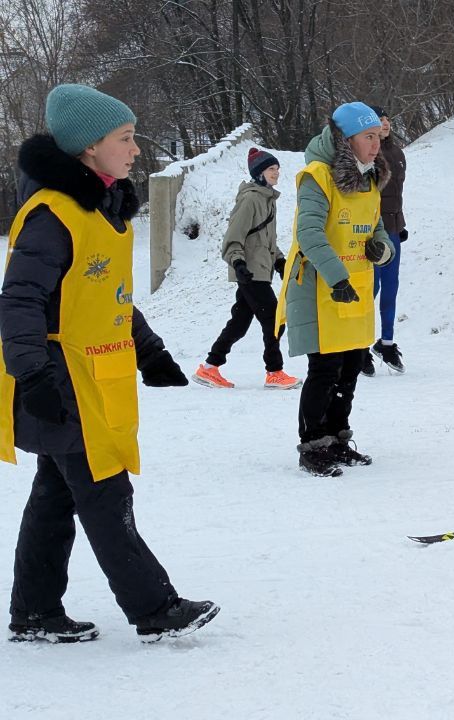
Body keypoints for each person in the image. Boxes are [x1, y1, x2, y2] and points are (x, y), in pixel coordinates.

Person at [0, 84, 219, 642]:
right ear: (89, 147)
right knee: (105, 494)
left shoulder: (101, 212)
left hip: (92, 381)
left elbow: (110, 298)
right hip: (60, 380)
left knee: (56, 497)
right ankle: (154, 607)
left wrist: (151, 351)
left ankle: (34, 612)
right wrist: (31, 374)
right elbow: (19, 300)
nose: (136, 149)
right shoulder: (52, 216)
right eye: (125, 138)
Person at [275, 102, 395, 477]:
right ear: (345, 139)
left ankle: (337, 437)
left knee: (351, 367)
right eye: (368, 137)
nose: (376, 144)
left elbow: (377, 229)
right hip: (322, 287)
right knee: (325, 369)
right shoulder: (317, 177)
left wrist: (382, 250)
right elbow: (309, 234)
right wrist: (337, 278)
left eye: (377, 136)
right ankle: (313, 444)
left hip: (356, 286)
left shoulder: (371, 177)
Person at [193, 147, 298, 390]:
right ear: (259, 173)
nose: (276, 173)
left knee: (239, 323)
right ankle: (274, 372)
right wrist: (238, 263)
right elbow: (233, 236)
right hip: (250, 271)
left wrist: (279, 261)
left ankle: (209, 368)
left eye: (277, 169)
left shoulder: (267, 199)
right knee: (274, 320)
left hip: (260, 269)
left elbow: (265, 239)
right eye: (271, 169)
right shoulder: (250, 199)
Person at [362, 105, 408, 375]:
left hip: (393, 229)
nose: (385, 123)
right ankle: (359, 346)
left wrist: (401, 224)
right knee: (371, 288)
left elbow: (397, 194)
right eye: (379, 120)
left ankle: (386, 343)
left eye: (387, 119)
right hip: (371, 231)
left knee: (391, 286)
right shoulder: (367, 154)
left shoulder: (398, 153)